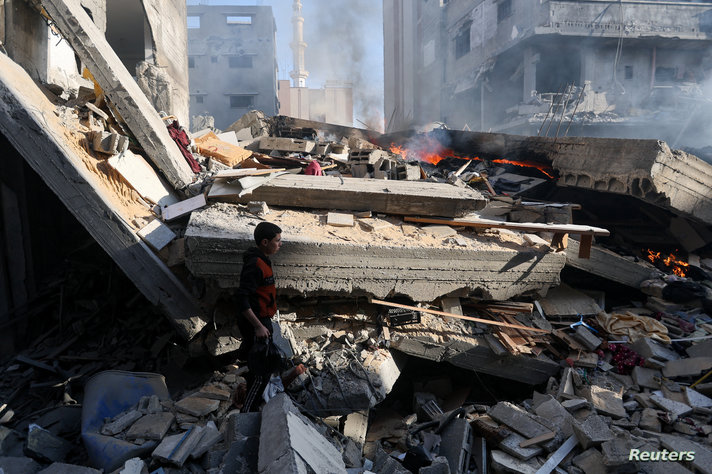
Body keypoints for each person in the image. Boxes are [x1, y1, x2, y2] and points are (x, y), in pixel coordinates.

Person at [236, 221, 282, 412]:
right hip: (257, 324)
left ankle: (251, 405)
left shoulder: (263, 260)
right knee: (261, 374)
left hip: (262, 321)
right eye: (277, 241)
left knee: (260, 368)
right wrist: (258, 327)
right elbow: (242, 300)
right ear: (265, 242)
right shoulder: (255, 265)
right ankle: (247, 413)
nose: (280, 244)